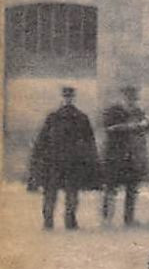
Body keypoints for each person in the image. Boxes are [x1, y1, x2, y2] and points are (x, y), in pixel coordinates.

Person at [27, 87, 101, 231]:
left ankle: (70, 221)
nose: (68, 100)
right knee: (50, 193)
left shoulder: (81, 118)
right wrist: (39, 158)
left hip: (73, 162)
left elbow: (89, 141)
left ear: (74, 98)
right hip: (54, 161)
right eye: (66, 97)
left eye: (70, 97)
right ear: (62, 98)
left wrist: (90, 160)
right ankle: (48, 222)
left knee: (72, 193)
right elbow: (42, 140)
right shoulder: (53, 117)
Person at [100, 85, 149, 227]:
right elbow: (108, 128)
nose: (132, 102)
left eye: (134, 99)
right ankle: (106, 219)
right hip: (115, 156)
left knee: (132, 189)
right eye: (129, 99)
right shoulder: (113, 111)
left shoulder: (138, 111)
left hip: (132, 157)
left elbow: (148, 126)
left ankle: (129, 219)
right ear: (123, 98)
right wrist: (130, 127)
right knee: (111, 188)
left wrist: (145, 124)